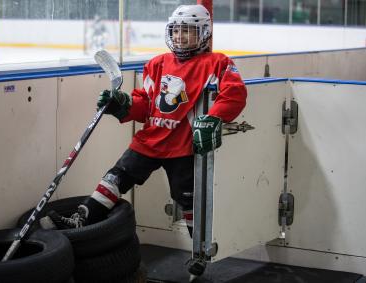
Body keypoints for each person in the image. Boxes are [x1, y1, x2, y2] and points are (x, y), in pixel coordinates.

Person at [45, 4, 247, 240]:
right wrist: (123, 105)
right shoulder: (157, 64)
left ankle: (199, 247)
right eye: (175, 30)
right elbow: (147, 104)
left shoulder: (217, 63)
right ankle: (82, 219)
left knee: (187, 199)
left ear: (203, 33)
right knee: (115, 177)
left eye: (188, 31)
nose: (179, 36)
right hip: (150, 140)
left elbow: (235, 93)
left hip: (183, 146)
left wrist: (214, 117)